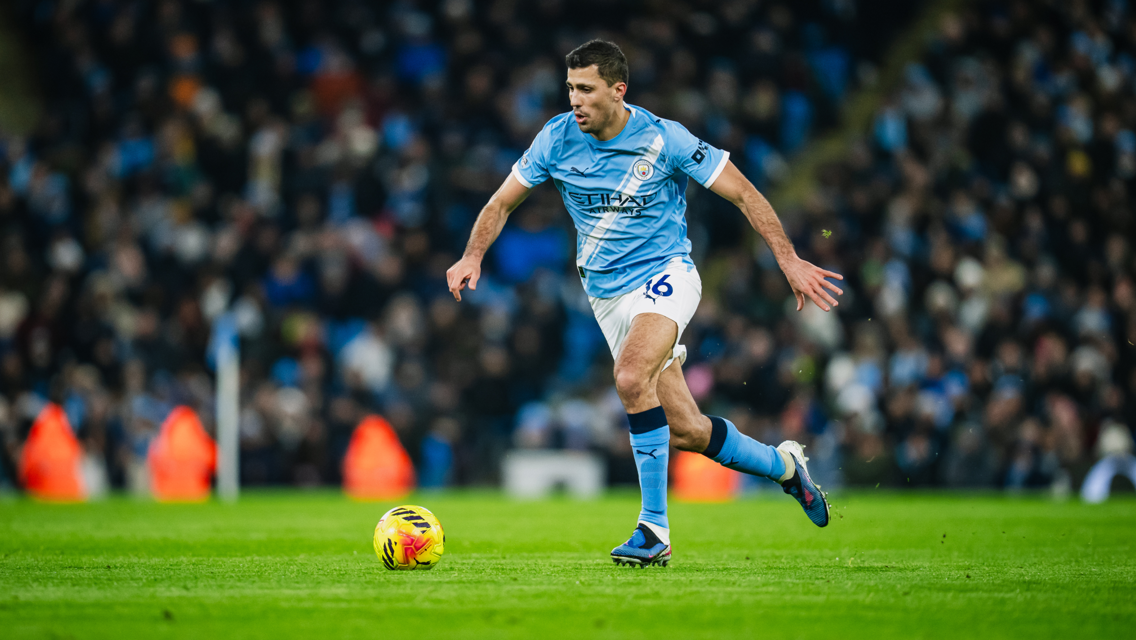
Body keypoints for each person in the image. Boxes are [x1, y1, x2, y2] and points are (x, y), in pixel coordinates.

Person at [447, 40, 844, 567]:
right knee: (688, 431)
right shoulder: (555, 139)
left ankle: (653, 530)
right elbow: (501, 203)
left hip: (666, 275)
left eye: (586, 89)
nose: (575, 100)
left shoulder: (664, 138)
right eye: (570, 88)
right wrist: (472, 255)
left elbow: (744, 194)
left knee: (631, 378)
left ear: (618, 90)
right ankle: (787, 469)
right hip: (606, 295)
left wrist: (789, 260)